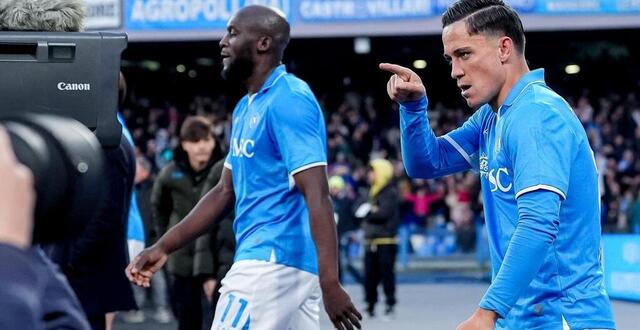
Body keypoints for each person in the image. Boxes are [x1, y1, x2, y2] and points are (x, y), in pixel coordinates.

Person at [380, 0, 615, 329]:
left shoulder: (537, 114)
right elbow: (426, 163)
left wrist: (488, 311)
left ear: (505, 48)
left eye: (464, 54)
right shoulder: (493, 117)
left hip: (561, 317)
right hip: (518, 317)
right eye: (451, 59)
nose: (455, 71)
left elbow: (538, 224)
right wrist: (414, 109)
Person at [127, 5, 361, 330]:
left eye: (233, 33)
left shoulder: (289, 98)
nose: (223, 41)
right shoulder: (244, 108)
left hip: (271, 261)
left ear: (263, 43)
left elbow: (318, 193)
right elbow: (224, 192)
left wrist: (330, 282)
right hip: (277, 263)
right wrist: (164, 246)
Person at [151, 116, 223, 330]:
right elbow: (159, 209)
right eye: (194, 141)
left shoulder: (224, 172)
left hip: (218, 262)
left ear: (213, 141)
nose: (201, 146)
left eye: (206, 139)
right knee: (185, 320)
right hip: (181, 262)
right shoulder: (169, 174)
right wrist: (168, 240)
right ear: (184, 144)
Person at [361, 158, 400, 318]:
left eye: (372, 172)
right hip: (371, 240)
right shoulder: (371, 191)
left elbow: (383, 213)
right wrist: (372, 211)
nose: (369, 175)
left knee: (387, 274)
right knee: (369, 275)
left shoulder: (390, 192)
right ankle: (370, 304)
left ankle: (390, 304)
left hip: (386, 240)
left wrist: (369, 212)